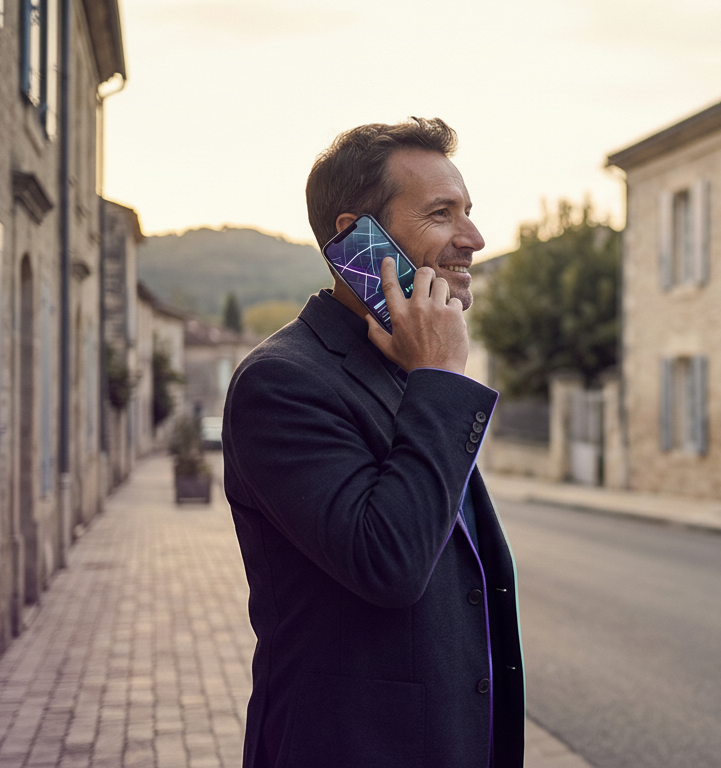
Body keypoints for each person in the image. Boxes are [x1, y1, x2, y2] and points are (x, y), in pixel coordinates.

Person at [222, 118, 524, 767]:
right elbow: (389, 563)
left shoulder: (404, 368)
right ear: (358, 239)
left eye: (469, 212)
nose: (472, 239)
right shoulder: (281, 384)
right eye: (442, 214)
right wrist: (441, 378)